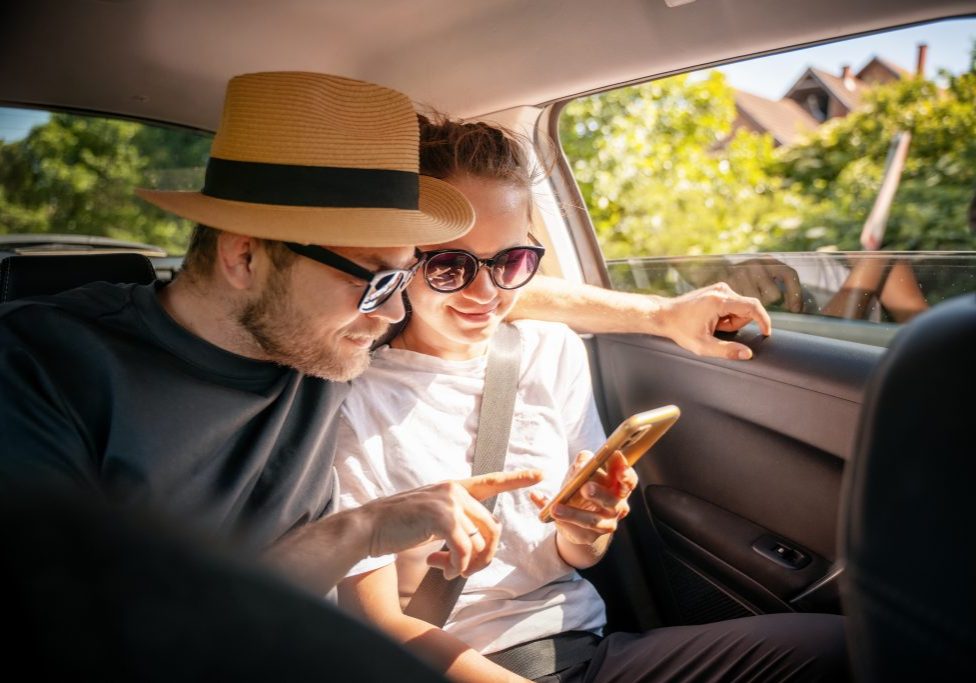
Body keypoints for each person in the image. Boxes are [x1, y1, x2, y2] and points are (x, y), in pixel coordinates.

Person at [0, 71, 771, 597]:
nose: (398, 307)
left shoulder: (322, 341)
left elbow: (503, 294)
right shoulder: (46, 368)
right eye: (378, 279)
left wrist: (657, 316)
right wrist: (368, 527)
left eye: (408, 274)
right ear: (244, 255)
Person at [334, 116, 849, 682]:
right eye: (449, 265)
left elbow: (573, 555)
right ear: (401, 258)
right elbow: (375, 624)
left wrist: (585, 531)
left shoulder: (550, 351)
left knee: (845, 648)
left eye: (510, 262)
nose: (487, 293)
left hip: (588, 652)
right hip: (444, 666)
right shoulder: (352, 397)